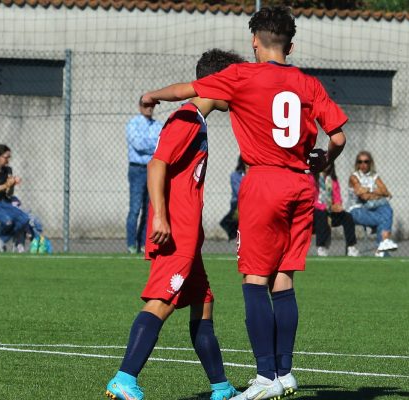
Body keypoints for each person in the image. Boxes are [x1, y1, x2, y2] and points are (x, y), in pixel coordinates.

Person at [140, 7, 348, 399]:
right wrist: (325, 160)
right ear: (291, 44)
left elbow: (189, 90)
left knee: (254, 278)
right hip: (301, 185)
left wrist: (152, 95)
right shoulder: (308, 84)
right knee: (284, 278)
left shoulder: (242, 75)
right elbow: (337, 137)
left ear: (255, 41)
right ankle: (285, 373)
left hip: (264, 181)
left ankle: (266, 378)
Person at [105, 49, 244, 400]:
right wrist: (162, 217)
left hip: (188, 234)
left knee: (203, 301)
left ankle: (221, 387)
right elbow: (156, 164)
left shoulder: (197, 119)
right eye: (236, 82)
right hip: (177, 230)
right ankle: (123, 378)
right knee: (161, 301)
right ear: (219, 83)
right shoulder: (185, 118)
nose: (240, 90)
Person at [125, 96, 163, 254]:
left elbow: (162, 145)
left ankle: (144, 243)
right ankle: (131, 244)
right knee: (135, 208)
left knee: (150, 209)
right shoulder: (133, 124)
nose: (149, 108)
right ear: (140, 106)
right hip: (137, 169)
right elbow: (138, 144)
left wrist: (151, 144)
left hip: (153, 169)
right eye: (146, 105)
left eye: (152, 105)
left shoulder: (158, 125)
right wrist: (153, 144)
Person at [346, 151, 398, 257]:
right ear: (357, 163)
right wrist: (376, 191)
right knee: (384, 218)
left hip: (371, 208)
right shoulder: (354, 177)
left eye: (366, 162)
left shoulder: (374, 176)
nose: (363, 165)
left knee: (387, 208)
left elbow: (386, 192)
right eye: (360, 162)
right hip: (355, 210)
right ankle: (382, 247)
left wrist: (368, 190)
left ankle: (382, 247)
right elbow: (364, 196)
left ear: (370, 163)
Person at [310, 161, 358, 257]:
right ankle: (321, 246)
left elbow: (337, 198)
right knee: (321, 213)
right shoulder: (311, 178)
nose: (326, 165)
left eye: (329, 163)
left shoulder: (333, 180)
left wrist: (338, 205)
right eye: (324, 162)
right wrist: (327, 207)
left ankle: (351, 247)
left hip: (330, 211)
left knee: (347, 217)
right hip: (315, 213)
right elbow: (310, 201)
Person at [219, 156, 246, 241]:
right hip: (238, 202)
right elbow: (238, 191)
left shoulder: (255, 174)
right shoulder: (235, 175)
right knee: (226, 222)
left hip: (250, 202)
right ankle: (234, 234)